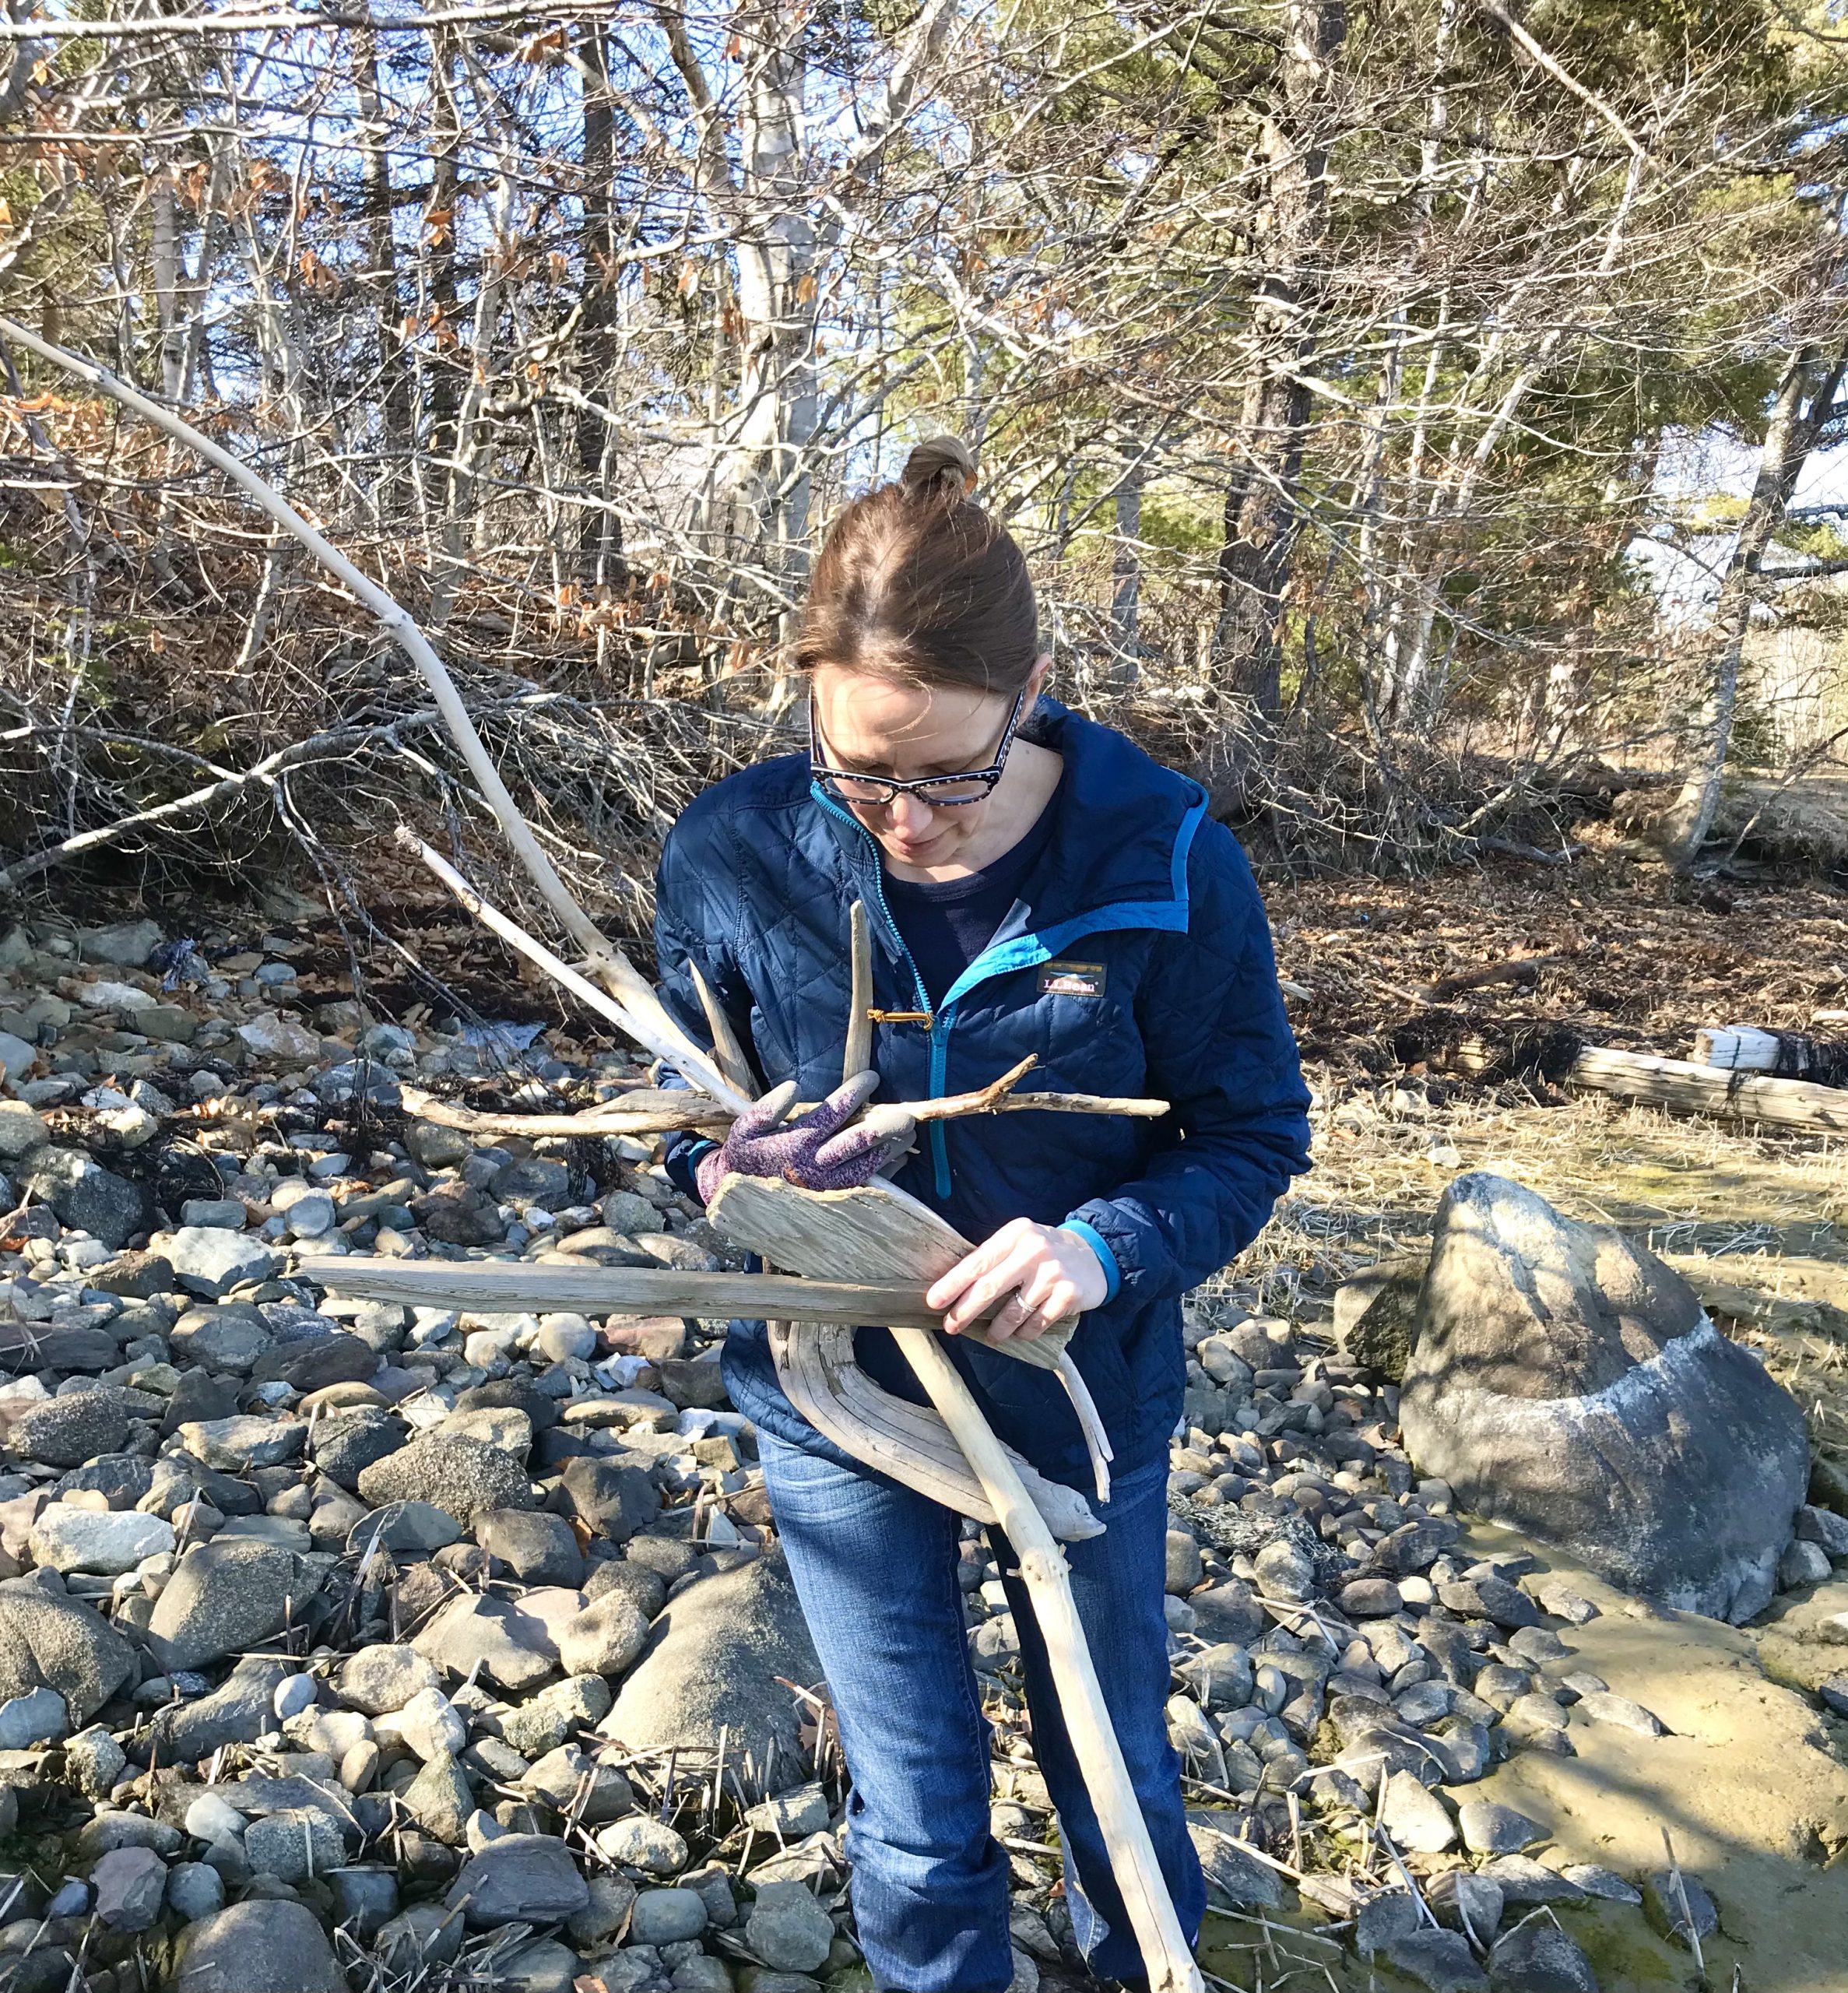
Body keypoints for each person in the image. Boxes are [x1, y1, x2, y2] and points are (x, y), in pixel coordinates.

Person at [653, 435, 1312, 1993]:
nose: (905, 819)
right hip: (829, 1391)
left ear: (1030, 695)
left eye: (947, 771)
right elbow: (674, 1097)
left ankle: (1133, 1963)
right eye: (859, 770)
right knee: (914, 1807)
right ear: (802, 695)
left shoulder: (1164, 865)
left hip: (1078, 1394)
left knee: (1110, 1762)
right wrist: (711, 1170)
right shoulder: (733, 850)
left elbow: (1247, 1133)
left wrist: (1097, 1247)